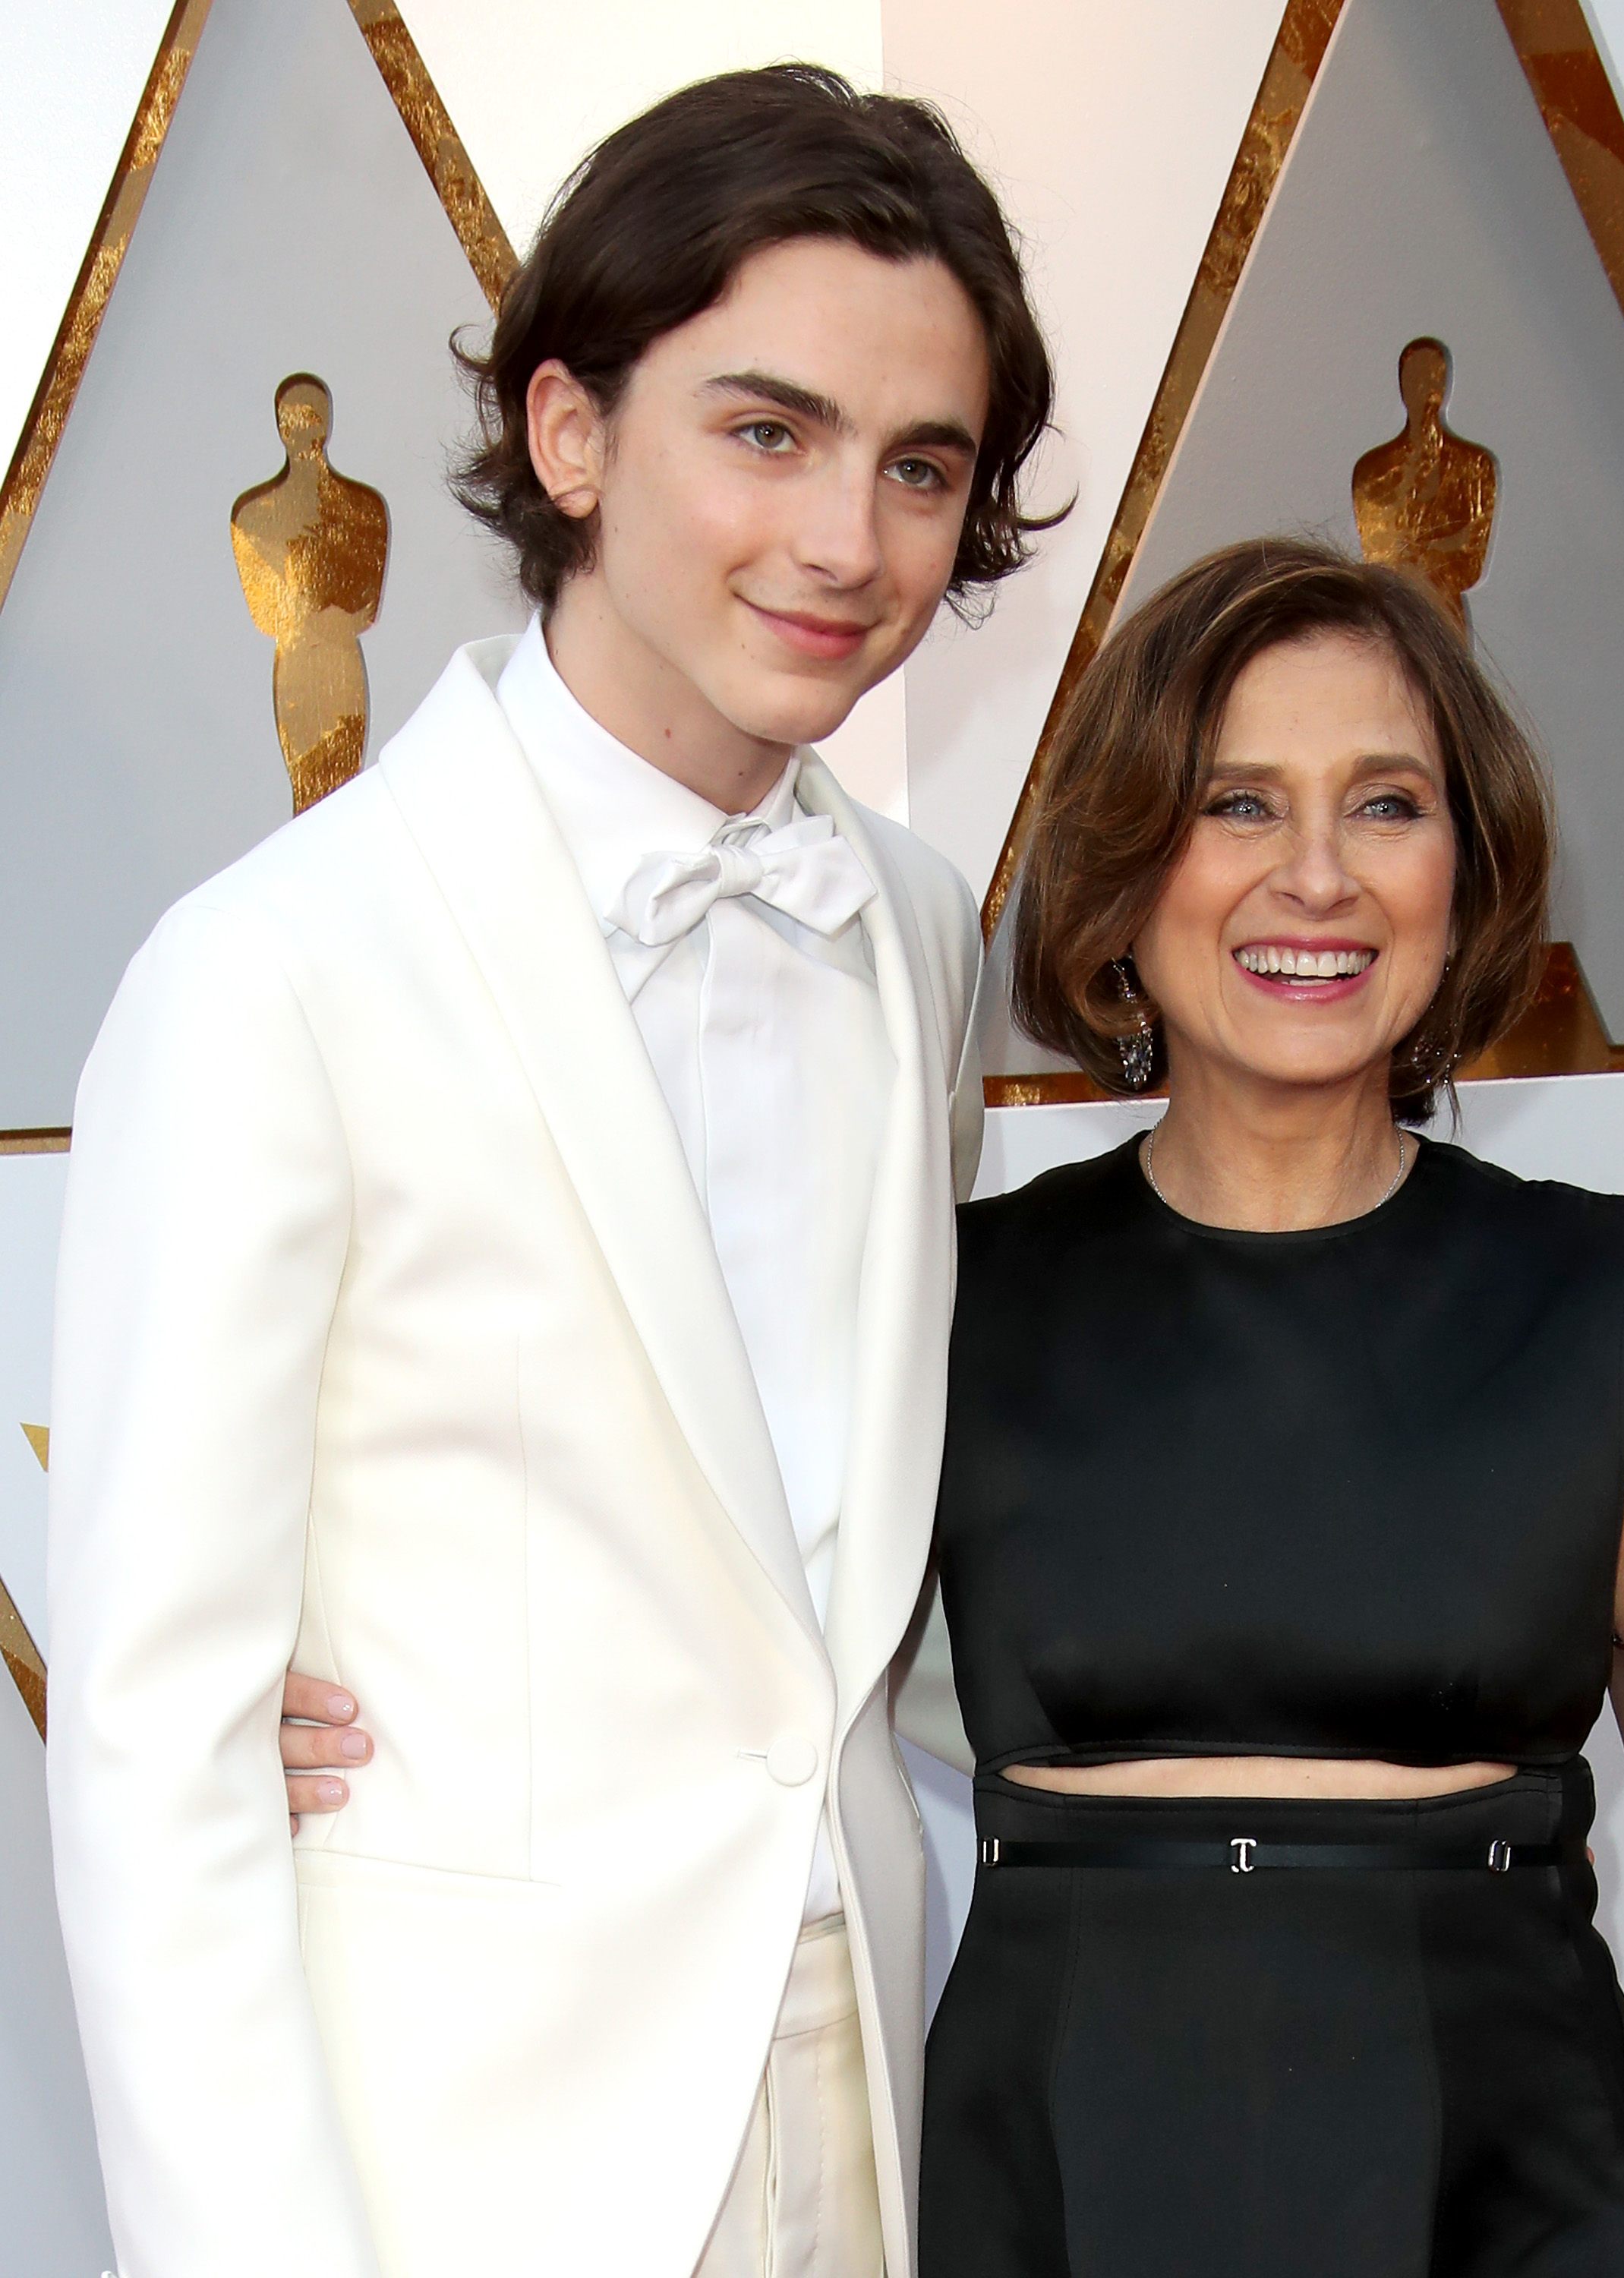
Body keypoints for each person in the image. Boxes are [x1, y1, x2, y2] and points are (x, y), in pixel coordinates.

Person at [46, 66, 1055, 2278]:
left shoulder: (906, 919)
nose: (843, 544)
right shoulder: (270, 975)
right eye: (764, 433)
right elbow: (155, 1760)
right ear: (572, 431)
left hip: (867, 2082)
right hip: (460, 2162)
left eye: (920, 468)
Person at [918, 538, 1624, 2276]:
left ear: (1466, 866)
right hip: (1075, 2180)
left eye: (1384, 806)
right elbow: (701, 1677)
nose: (1316, 880)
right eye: (1237, 805)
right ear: (1128, 867)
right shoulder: (950, 1301)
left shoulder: (1609, 1303)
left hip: (1522, 2196)